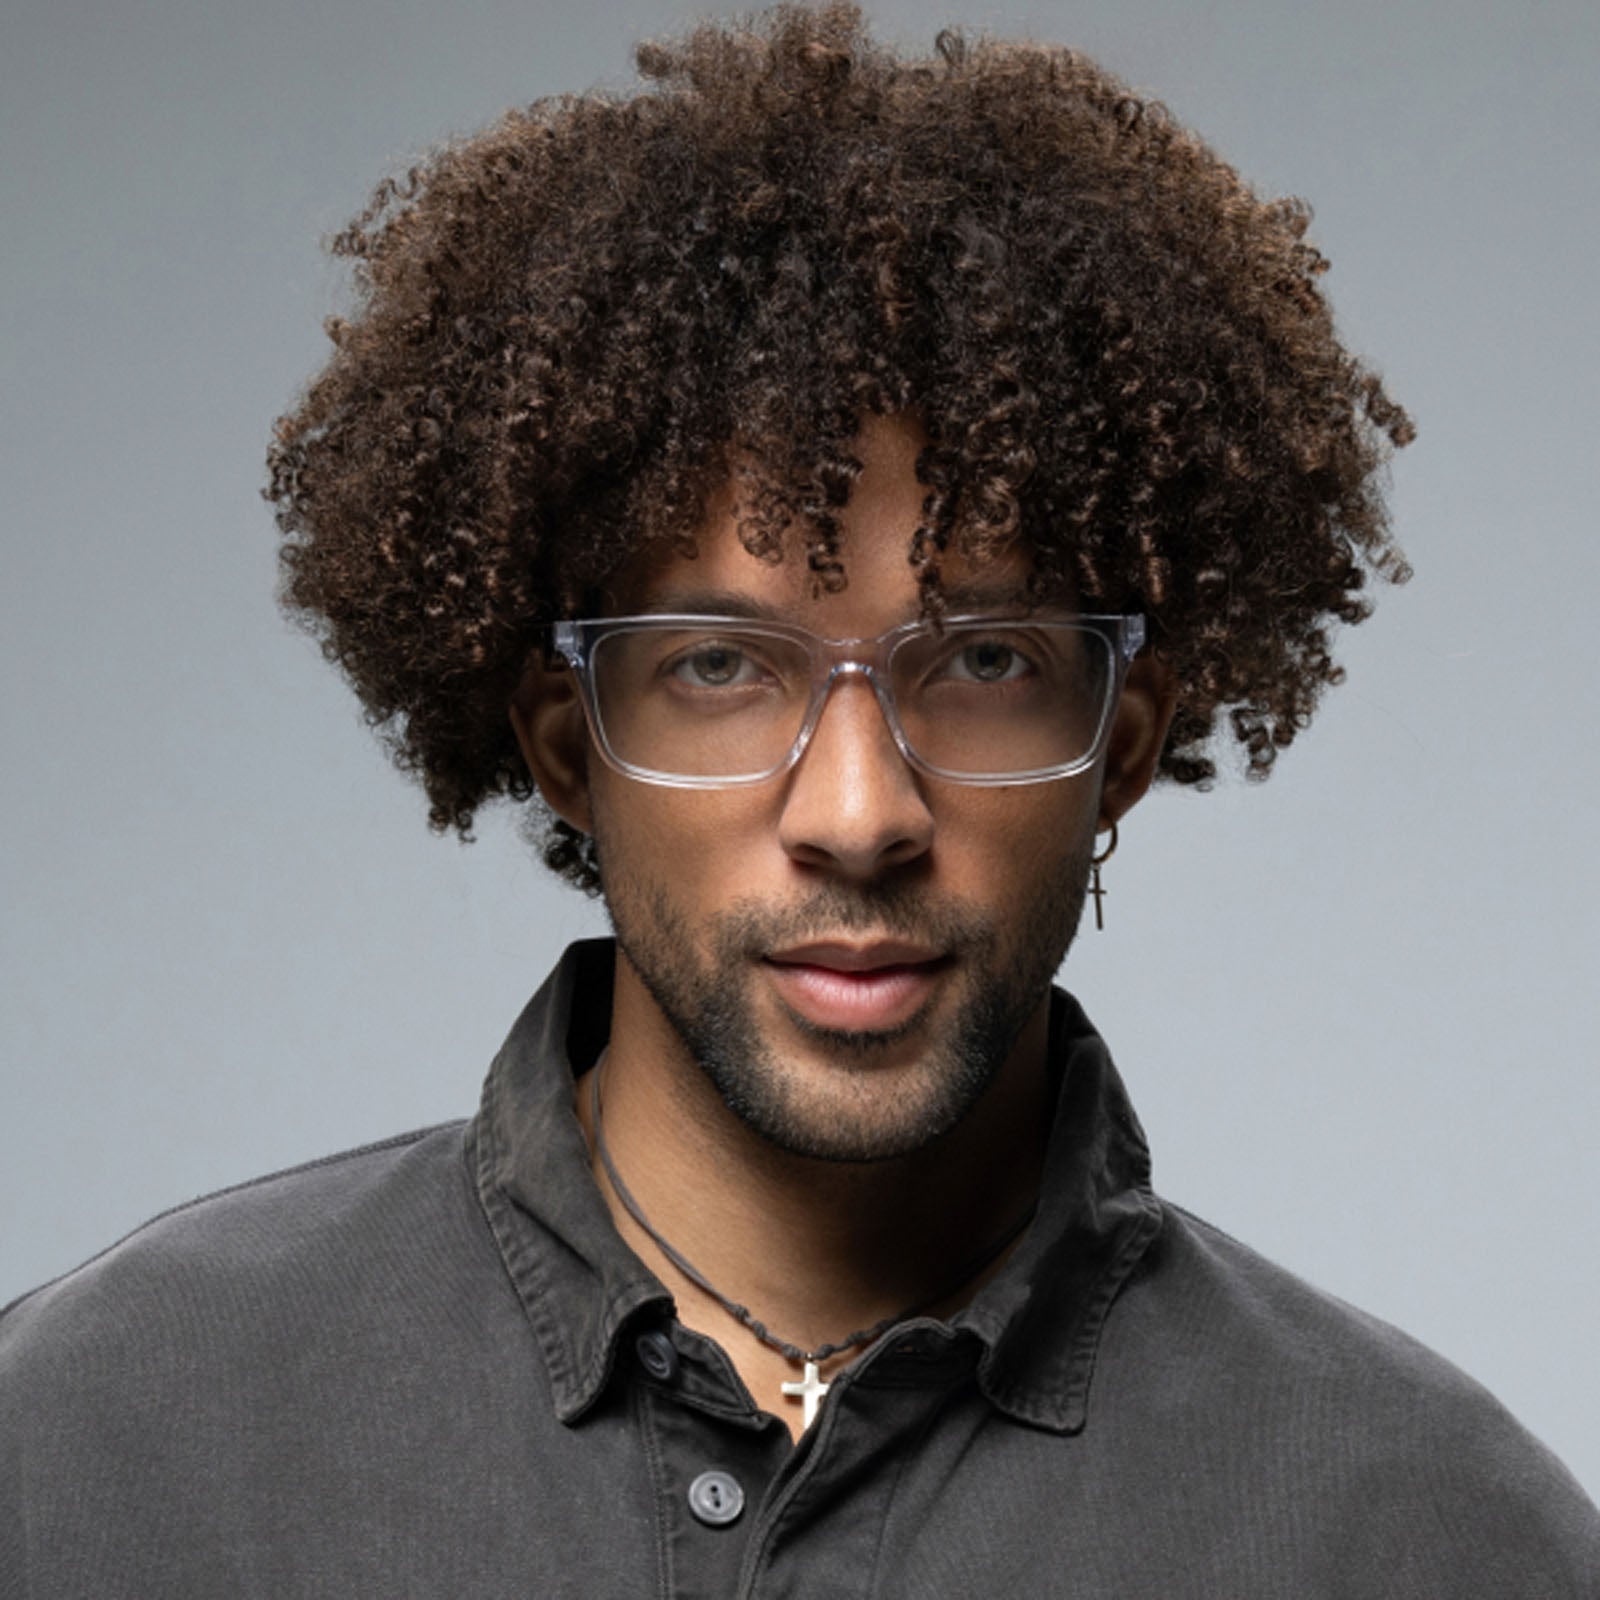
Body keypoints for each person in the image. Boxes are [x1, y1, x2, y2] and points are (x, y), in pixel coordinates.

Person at [3, 4, 1596, 1594]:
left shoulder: (1434, 1535)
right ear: (567, 742)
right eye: (716, 665)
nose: (857, 812)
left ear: (1121, 743)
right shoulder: (101, 1441)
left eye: (979, 661)